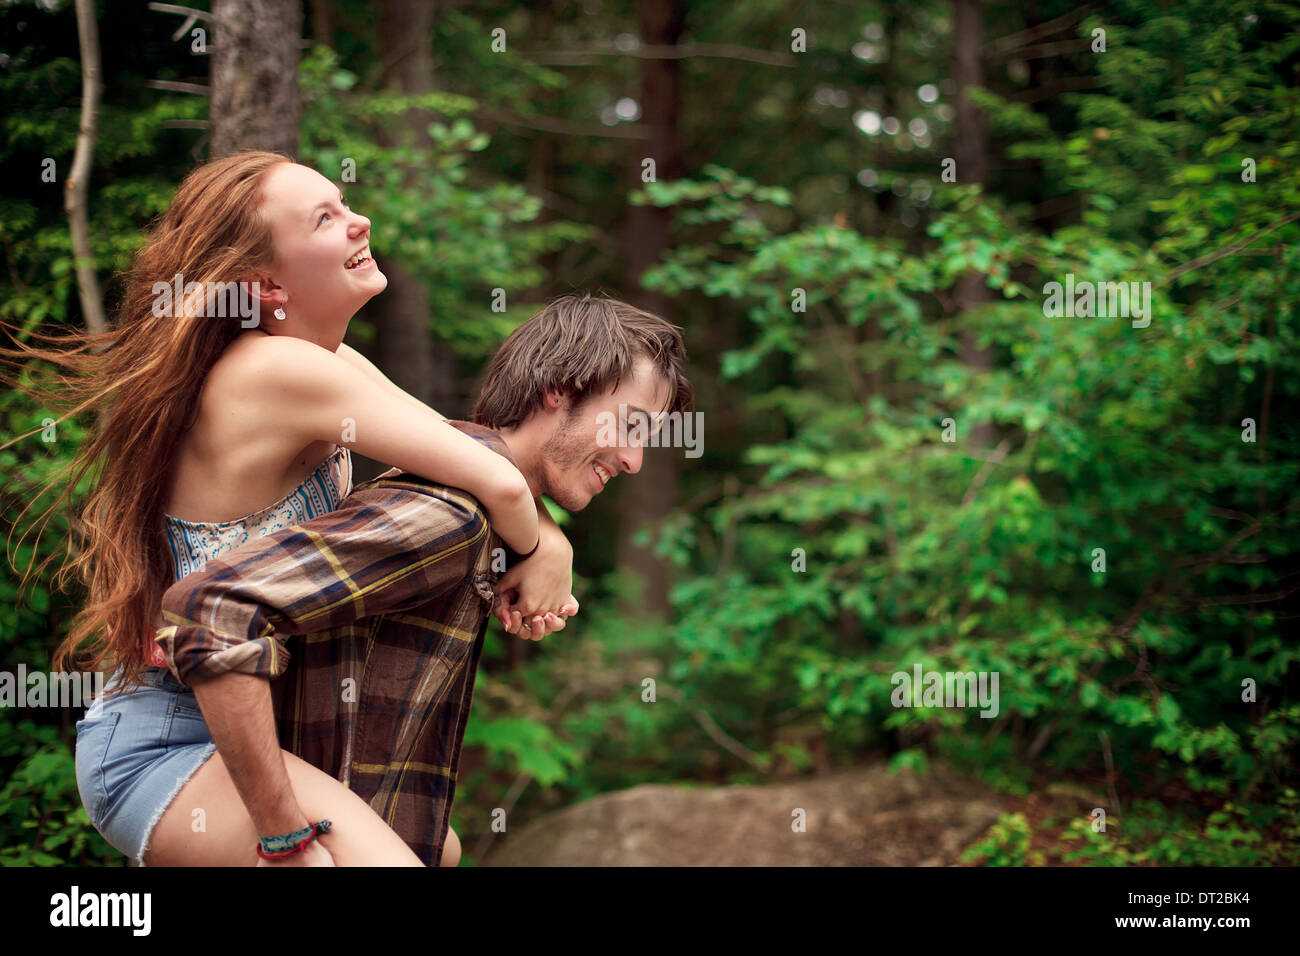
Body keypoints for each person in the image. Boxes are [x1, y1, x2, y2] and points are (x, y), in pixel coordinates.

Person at [2, 150, 577, 868]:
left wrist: (543, 537)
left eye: (344, 203)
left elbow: (473, 459)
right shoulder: (282, 371)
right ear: (264, 284)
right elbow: (497, 485)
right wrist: (551, 551)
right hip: (171, 742)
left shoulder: (329, 366)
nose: (359, 219)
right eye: (326, 218)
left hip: (264, 729)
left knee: (440, 850)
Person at [147, 293, 694, 865]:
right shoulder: (451, 517)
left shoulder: (482, 512)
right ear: (560, 389)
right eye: (630, 425)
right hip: (180, 758)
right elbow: (211, 608)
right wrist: (286, 841)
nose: (635, 460)